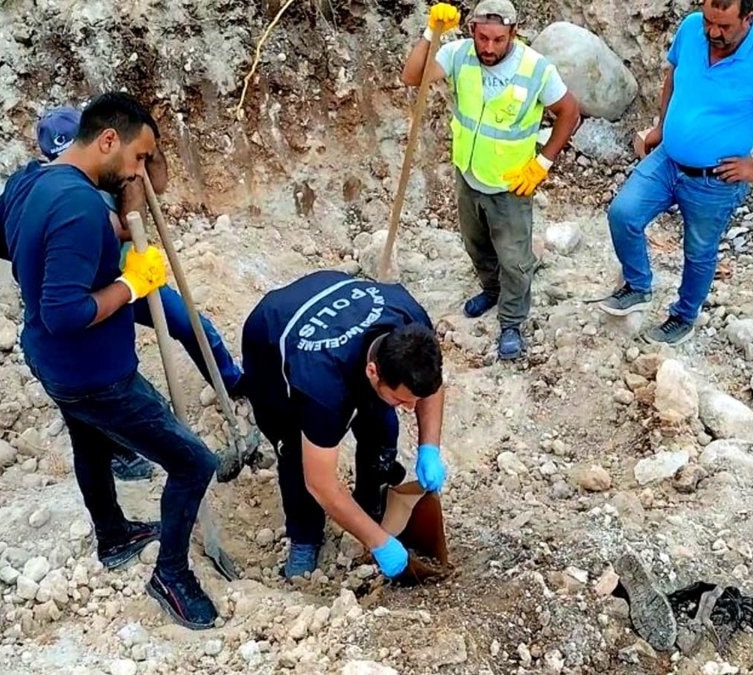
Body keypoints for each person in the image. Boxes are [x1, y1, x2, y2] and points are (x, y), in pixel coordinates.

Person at [1, 92, 220, 630]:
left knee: (91, 444)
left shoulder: (35, 181)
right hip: (93, 375)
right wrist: (131, 284)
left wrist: (115, 228)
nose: (139, 170)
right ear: (106, 141)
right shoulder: (78, 208)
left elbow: (26, 256)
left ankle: (113, 535)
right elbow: (65, 314)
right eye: (138, 157)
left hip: (51, 361)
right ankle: (171, 575)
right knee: (193, 463)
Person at [33, 106, 245, 481]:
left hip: (135, 278)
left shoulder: (114, 166)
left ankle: (231, 381)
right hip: (91, 296)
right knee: (103, 382)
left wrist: (146, 148)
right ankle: (122, 451)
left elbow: (155, 188)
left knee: (189, 323)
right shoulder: (57, 190)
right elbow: (119, 228)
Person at [598, 0, 753, 344]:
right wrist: (661, 126)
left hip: (714, 181)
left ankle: (683, 316)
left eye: (724, 26)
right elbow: (673, 75)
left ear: (748, 18)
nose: (712, 32)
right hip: (667, 160)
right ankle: (638, 285)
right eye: (709, 21)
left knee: (699, 252)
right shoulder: (692, 27)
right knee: (623, 213)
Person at [400, 0, 580, 360]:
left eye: (498, 39)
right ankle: (492, 290)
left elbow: (569, 111)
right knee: (476, 245)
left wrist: (543, 162)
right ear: (472, 31)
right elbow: (412, 76)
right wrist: (431, 32)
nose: (489, 47)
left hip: (511, 184)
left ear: (513, 32)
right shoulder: (458, 55)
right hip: (469, 174)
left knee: (514, 259)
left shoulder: (535, 68)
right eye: (482, 38)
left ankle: (511, 321)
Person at [241, 270, 446, 578]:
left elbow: (430, 387)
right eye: (402, 399)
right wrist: (379, 544)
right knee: (295, 453)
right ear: (374, 372)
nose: (411, 408)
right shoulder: (321, 387)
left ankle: (370, 504)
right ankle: (305, 536)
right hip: (271, 341)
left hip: (332, 296)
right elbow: (320, 483)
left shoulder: (411, 323)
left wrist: (429, 447)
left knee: (383, 427)